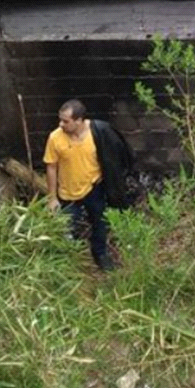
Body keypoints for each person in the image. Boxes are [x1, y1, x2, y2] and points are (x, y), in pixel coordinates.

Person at [43, 99, 134, 271]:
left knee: (100, 223)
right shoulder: (55, 138)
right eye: (60, 120)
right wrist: (52, 198)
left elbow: (115, 155)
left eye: (65, 121)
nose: (60, 124)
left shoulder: (98, 132)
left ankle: (100, 255)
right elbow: (51, 167)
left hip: (94, 189)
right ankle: (69, 263)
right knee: (66, 229)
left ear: (79, 121)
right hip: (67, 193)